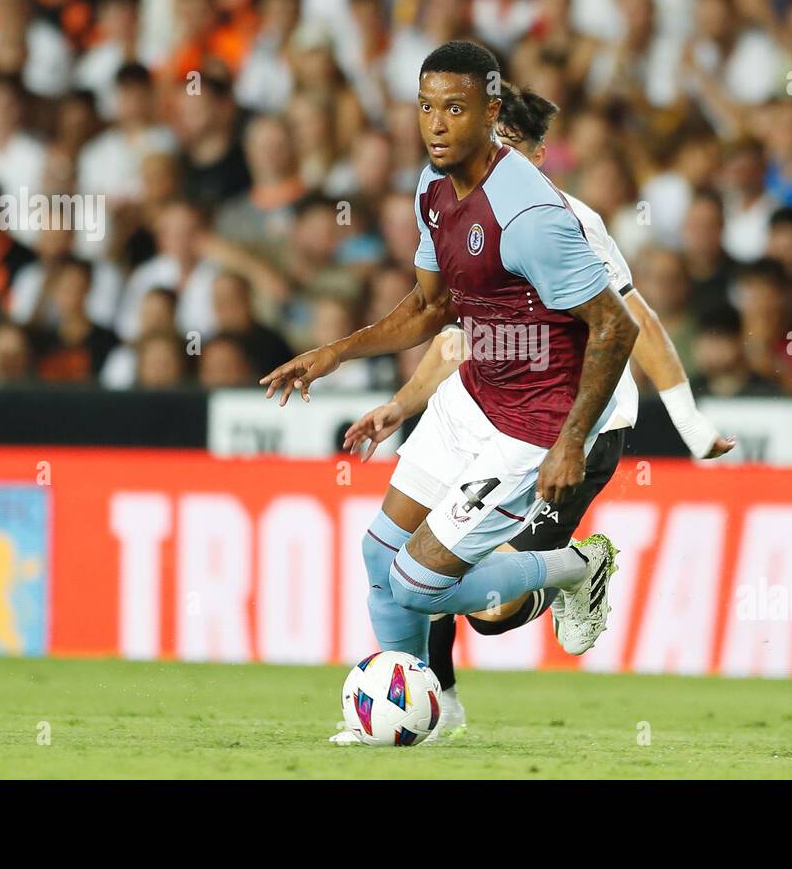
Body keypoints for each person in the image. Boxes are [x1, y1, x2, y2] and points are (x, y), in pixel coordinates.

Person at [261, 41, 639, 734]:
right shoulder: (433, 189)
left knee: (415, 582)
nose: (436, 124)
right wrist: (335, 353)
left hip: (534, 419)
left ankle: (575, 568)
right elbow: (433, 309)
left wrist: (571, 443)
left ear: (492, 113)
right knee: (380, 556)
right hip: (474, 392)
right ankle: (422, 711)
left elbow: (615, 329)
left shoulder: (529, 214)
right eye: (426, 107)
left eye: (455, 109)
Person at [338, 82, 736, 739]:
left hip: (574, 426)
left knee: (489, 612)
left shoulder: (568, 223)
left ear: (537, 155)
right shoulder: (459, 210)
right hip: (483, 406)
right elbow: (458, 330)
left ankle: (583, 567)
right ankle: (435, 703)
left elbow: (635, 322)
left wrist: (689, 420)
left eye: (510, 149)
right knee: (402, 557)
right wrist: (401, 404)